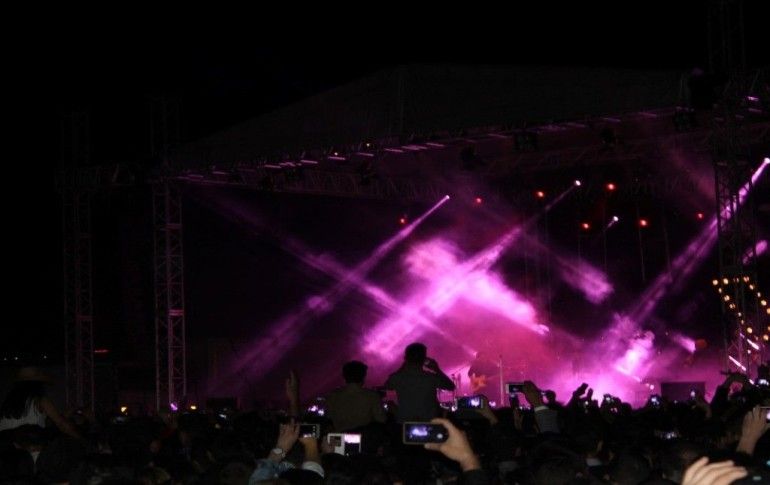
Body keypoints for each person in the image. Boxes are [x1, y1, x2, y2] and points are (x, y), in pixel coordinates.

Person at [0, 367, 80, 439]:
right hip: (30, 445)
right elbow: (61, 424)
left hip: (5, 446)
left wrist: (63, 416)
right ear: (37, 384)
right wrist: (81, 439)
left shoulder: (8, 401)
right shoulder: (40, 400)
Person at [384, 342, 455, 422]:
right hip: (429, 422)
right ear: (424, 359)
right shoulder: (431, 378)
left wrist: (402, 367)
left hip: (405, 422)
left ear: (406, 358)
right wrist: (437, 370)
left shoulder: (397, 378)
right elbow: (451, 387)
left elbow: (387, 386)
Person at [324, 360, 385, 431]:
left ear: (344, 376)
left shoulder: (333, 396)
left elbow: (328, 417)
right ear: (363, 376)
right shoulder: (372, 396)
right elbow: (381, 419)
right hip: (364, 436)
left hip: (339, 435)